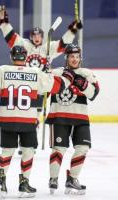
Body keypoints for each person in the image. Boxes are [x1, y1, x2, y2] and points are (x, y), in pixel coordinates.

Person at [0, 45, 76, 198]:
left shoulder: (3, 70)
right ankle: (24, 184)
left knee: (7, 151)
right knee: (28, 151)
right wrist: (67, 76)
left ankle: (1, 180)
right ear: (26, 57)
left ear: (12, 57)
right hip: (28, 120)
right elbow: (57, 87)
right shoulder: (36, 72)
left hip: (7, 119)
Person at [45, 44, 100, 195]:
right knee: (58, 149)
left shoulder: (86, 73)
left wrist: (83, 84)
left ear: (80, 58)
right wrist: (44, 72)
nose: (74, 59)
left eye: (77, 56)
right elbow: (42, 86)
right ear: (66, 58)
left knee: (83, 148)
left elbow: (94, 94)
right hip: (59, 117)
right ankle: (53, 178)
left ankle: (72, 178)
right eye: (71, 56)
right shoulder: (57, 72)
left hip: (80, 118)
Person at [0, 5, 82, 71]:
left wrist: (72, 30)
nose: (37, 38)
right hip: (27, 80)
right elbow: (10, 37)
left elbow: (63, 44)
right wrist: (3, 21)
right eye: (34, 36)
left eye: (39, 36)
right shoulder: (24, 44)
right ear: (31, 37)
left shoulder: (48, 47)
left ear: (42, 37)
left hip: (43, 84)